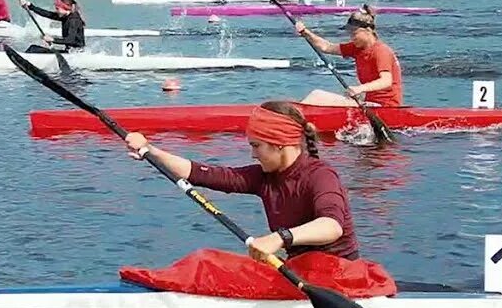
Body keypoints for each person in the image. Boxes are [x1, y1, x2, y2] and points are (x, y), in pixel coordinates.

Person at [123, 101, 359, 262]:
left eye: (256, 146)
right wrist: (151, 150)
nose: (253, 154)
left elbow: (332, 227)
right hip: (300, 271)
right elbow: (201, 173)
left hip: (339, 274)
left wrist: (279, 238)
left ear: (279, 144)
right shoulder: (264, 177)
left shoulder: (321, 176)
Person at [295, 7, 403, 108]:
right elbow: (326, 47)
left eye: (354, 33)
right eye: (349, 33)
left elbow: (386, 81)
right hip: (369, 104)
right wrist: (306, 32)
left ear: (368, 30)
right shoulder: (356, 48)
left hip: (385, 106)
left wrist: (359, 89)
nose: (351, 37)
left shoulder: (381, 51)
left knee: (316, 95)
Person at [19, 0, 85, 53]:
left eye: (57, 8)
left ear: (65, 8)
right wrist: (30, 6)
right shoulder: (66, 16)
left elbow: (70, 40)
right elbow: (48, 14)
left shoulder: (73, 20)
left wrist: (52, 39)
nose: (56, 10)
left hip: (76, 53)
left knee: (33, 49)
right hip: (69, 51)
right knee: (33, 48)